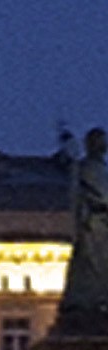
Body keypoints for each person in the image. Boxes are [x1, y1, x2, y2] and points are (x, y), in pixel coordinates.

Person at [59, 126, 108, 330]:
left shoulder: (101, 169)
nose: (104, 145)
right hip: (94, 226)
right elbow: (101, 195)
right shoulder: (88, 168)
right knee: (92, 267)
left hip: (102, 226)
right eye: (100, 141)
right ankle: (88, 303)